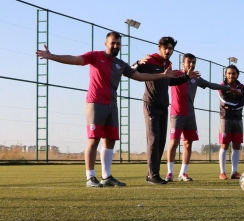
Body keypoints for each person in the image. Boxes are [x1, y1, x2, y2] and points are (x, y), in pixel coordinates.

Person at [35, 32, 178, 188]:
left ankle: (106, 176)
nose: (116, 46)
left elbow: (140, 76)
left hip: (112, 105)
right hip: (95, 103)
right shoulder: (95, 56)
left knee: (110, 140)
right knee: (94, 139)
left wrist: (163, 76)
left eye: (118, 43)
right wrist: (52, 56)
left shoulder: (120, 64)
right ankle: (90, 177)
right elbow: (75, 59)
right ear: (106, 43)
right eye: (113, 43)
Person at [132, 37, 200, 185]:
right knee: (154, 139)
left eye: (170, 49)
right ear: (159, 48)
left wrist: (186, 77)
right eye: (165, 48)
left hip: (164, 106)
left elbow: (171, 81)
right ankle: (152, 175)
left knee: (161, 141)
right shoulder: (150, 60)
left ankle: (154, 173)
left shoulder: (168, 64)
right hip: (151, 105)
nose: (168, 51)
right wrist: (137, 63)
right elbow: (130, 71)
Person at [165, 53, 240, 182]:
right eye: (189, 62)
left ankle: (183, 173)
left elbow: (211, 85)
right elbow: (161, 79)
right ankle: (170, 172)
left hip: (190, 115)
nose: (191, 64)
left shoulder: (196, 78)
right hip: (176, 114)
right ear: (183, 63)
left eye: (193, 62)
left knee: (188, 144)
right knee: (174, 142)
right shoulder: (175, 74)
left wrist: (229, 88)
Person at [218, 65, 244, 180]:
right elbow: (224, 100)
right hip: (225, 119)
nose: (231, 75)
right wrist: (236, 102)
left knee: (237, 146)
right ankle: (222, 172)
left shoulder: (241, 86)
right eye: (229, 73)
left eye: (233, 73)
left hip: (238, 119)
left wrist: (232, 107)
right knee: (224, 145)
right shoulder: (222, 86)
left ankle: (234, 172)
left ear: (237, 74)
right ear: (226, 74)